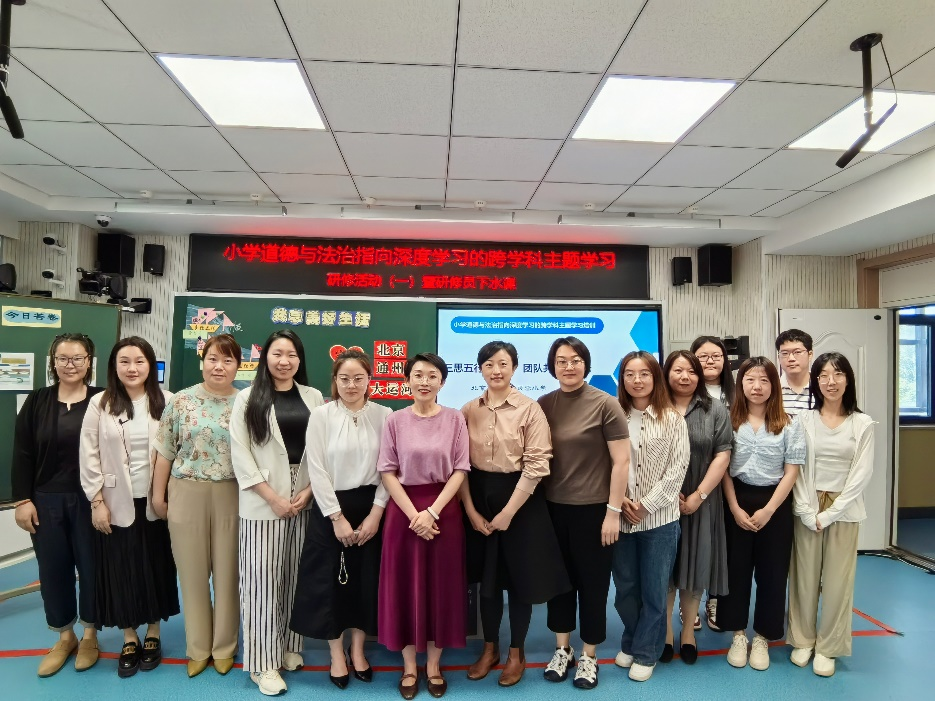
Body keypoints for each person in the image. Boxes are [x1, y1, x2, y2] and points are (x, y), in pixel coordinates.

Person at [460, 342, 570, 687]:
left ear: (514, 368)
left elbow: (537, 466)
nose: (496, 370)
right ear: (480, 369)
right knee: (487, 583)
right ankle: (490, 648)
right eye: (489, 364)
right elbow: (459, 465)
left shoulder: (530, 410)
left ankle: (515, 653)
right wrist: (471, 510)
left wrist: (508, 512)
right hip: (479, 499)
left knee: (520, 582)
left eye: (503, 364)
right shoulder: (467, 410)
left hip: (522, 504)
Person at [79, 336, 179, 678]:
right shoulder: (100, 403)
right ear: (114, 366)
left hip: (157, 501)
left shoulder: (168, 401)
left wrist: (168, 497)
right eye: (124, 361)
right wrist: (96, 502)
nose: (132, 368)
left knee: (155, 565)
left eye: (139, 361)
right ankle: (129, 635)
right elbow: (88, 454)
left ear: (150, 365)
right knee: (121, 568)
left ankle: (153, 631)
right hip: (114, 501)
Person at [291, 349, 391, 689]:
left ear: (369, 381)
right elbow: (316, 469)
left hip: (372, 505)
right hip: (329, 507)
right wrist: (336, 517)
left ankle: (359, 650)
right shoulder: (321, 416)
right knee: (330, 582)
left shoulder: (385, 415)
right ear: (334, 381)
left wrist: (377, 512)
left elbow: (389, 470)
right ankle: (336, 654)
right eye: (344, 378)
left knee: (365, 581)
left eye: (358, 378)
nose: (351, 385)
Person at [230, 330, 323, 695]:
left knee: (294, 578)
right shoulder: (247, 398)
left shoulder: (313, 396)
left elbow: (322, 452)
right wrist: (272, 498)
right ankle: (261, 663)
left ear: (300, 360)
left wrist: (310, 491)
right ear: (265, 357)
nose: (284, 361)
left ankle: (288, 647)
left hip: (305, 499)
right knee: (262, 583)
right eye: (277, 353)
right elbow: (241, 455)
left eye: (292, 354)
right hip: (262, 503)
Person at [537, 337, 629, 690]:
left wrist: (613, 512)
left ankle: (589, 656)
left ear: (586, 364)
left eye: (575, 360)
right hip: (553, 510)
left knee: (593, 586)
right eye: (561, 361)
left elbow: (621, 462)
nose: (569, 366)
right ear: (552, 366)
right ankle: (563, 650)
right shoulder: (544, 405)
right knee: (559, 585)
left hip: (595, 512)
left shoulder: (606, 404)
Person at [377, 353, 471, 700]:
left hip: (443, 511)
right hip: (402, 512)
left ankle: (433, 665)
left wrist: (430, 512)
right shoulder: (395, 420)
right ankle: (408, 666)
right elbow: (387, 470)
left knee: (440, 588)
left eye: (432, 375)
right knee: (404, 586)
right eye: (418, 375)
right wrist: (414, 514)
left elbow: (461, 469)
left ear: (442, 382)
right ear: (407, 380)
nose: (424, 381)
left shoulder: (455, 419)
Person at [12, 333, 102, 678]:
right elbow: (22, 454)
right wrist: (23, 500)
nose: (70, 365)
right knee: (53, 569)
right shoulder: (37, 402)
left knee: (93, 567)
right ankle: (65, 637)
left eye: (78, 358)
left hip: (91, 500)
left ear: (89, 362)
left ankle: (91, 634)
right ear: (53, 362)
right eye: (63, 358)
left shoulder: (102, 400)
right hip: (45, 501)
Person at [151, 333, 241, 678]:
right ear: (203, 361)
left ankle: (225, 647)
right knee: (191, 575)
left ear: (238, 365)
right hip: (186, 491)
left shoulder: (247, 402)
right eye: (213, 359)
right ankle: (199, 648)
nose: (219, 366)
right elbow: (164, 452)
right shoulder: (181, 401)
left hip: (233, 494)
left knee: (228, 574)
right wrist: (159, 496)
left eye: (228, 360)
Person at [788, 352, 875, 678]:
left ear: (848, 379)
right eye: (823, 375)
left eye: (838, 374)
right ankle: (803, 639)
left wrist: (834, 511)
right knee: (804, 579)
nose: (831, 381)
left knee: (838, 583)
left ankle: (829, 647)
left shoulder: (862, 423)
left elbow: (861, 474)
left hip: (845, 510)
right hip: (808, 504)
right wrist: (807, 511)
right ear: (816, 381)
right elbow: (796, 469)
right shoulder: (803, 421)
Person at [718, 357, 804, 672]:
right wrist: (734, 507)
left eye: (764, 380)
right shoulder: (729, 420)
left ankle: (763, 637)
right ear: (741, 385)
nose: (757, 387)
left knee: (772, 573)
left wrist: (769, 509)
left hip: (775, 504)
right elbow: (723, 469)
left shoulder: (789, 424)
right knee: (735, 571)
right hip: (736, 498)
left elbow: (791, 472)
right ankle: (738, 635)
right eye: (751, 380)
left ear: (774, 385)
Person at [612, 351, 689, 683]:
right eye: (630, 374)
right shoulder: (614, 416)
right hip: (621, 516)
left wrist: (645, 504)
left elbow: (677, 471)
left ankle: (645, 651)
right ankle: (632, 640)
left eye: (644, 373)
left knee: (655, 590)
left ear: (655, 378)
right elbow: (606, 465)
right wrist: (621, 501)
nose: (637, 380)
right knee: (625, 588)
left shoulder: (672, 418)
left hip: (660, 521)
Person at [661, 351, 732, 665]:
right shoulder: (654, 406)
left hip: (701, 501)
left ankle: (687, 632)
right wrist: (667, 492)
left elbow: (722, 454)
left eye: (691, 370)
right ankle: (664, 633)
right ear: (667, 373)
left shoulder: (715, 409)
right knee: (664, 569)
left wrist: (698, 496)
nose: (685, 376)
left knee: (695, 566)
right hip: (660, 502)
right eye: (678, 370)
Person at [690, 335, 734, 632]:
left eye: (715, 355)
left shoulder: (737, 392)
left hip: (732, 478)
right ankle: (689, 602)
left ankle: (714, 599)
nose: (709, 361)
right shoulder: (684, 390)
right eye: (702, 356)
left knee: (721, 544)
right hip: (695, 477)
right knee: (693, 542)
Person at [776, 329, 814, 417]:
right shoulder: (773, 389)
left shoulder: (822, 387)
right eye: (785, 353)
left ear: (810, 354)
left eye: (797, 352)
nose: (791, 358)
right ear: (779, 357)